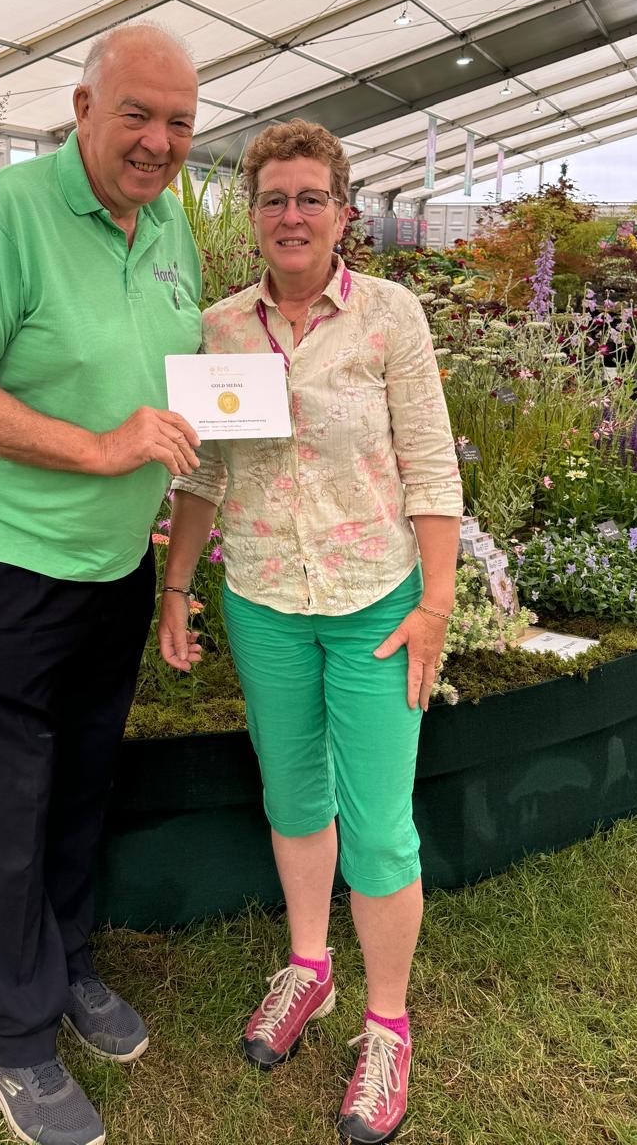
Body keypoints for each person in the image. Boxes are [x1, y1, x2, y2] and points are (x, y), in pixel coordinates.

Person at [0, 24, 202, 1145]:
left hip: (112, 566)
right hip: (11, 561)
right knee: (5, 800)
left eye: (179, 122)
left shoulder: (169, 219)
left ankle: (68, 960)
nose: (159, 142)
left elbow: (171, 363)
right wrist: (98, 450)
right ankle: (13, 1036)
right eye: (137, 114)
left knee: (82, 779)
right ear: (82, 106)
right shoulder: (10, 215)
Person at [160, 120, 462, 1145]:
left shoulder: (389, 317)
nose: (291, 216)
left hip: (377, 604)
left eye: (309, 197)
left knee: (377, 821)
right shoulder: (220, 327)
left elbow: (431, 463)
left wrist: (434, 602)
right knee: (291, 793)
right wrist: (175, 587)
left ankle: (388, 1025)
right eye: (273, 199)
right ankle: (310, 970)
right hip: (266, 602)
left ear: (343, 211)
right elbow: (203, 474)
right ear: (253, 215)